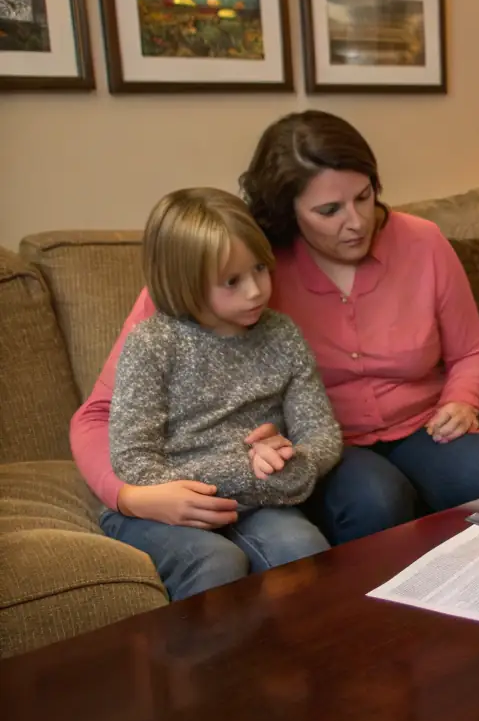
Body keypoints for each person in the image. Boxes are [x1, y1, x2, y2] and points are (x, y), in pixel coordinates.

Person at [72, 112, 479, 592]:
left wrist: (461, 400)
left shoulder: (423, 243)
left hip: (417, 426)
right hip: (329, 446)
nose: (357, 222)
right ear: (287, 211)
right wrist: (130, 496)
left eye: (365, 196)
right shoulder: (236, 265)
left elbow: (471, 351)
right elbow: (99, 413)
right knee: (374, 498)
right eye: (329, 210)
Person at [102, 188, 338, 600]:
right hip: (163, 504)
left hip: (257, 500)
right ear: (185, 282)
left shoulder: (281, 334)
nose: (255, 291)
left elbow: (321, 433)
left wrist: (289, 458)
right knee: (216, 562)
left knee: (302, 549)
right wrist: (250, 471)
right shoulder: (153, 344)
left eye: (260, 269)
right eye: (232, 281)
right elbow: (132, 461)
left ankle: (301, 663)